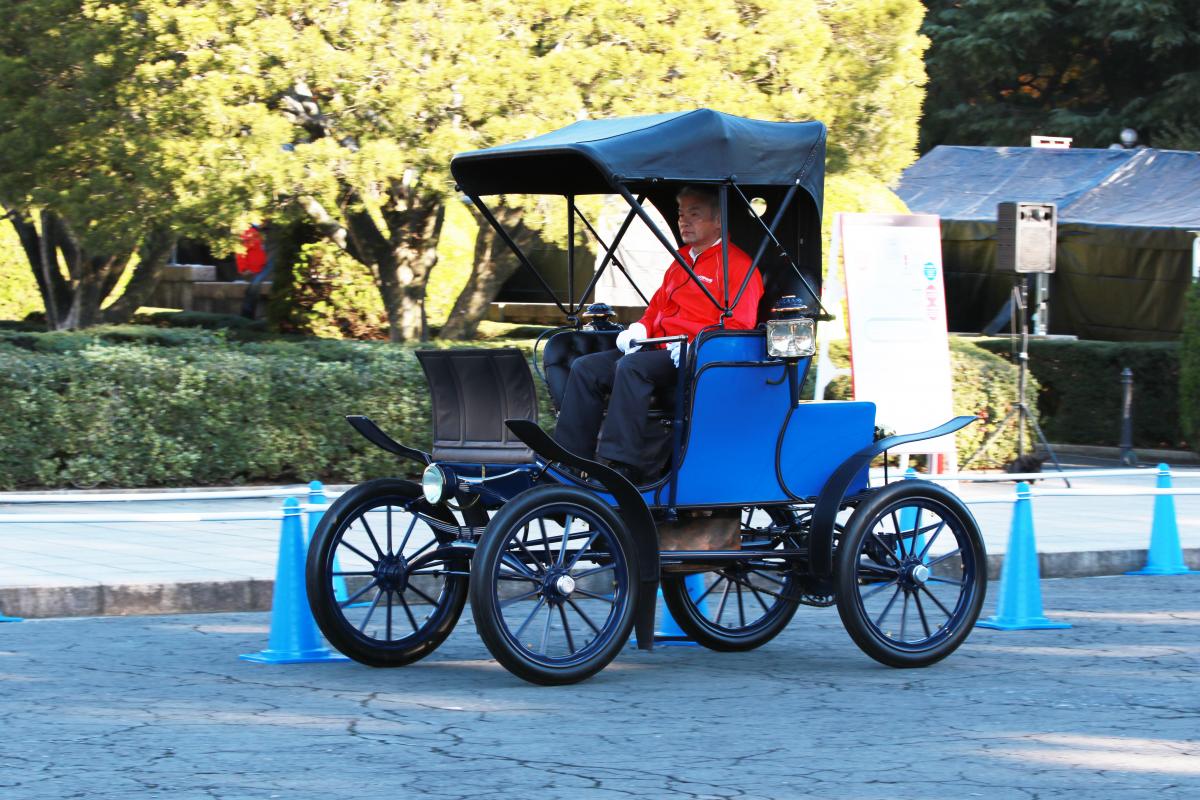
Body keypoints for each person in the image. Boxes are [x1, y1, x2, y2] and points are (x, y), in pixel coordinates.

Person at [553, 185, 763, 483]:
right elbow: (657, 308)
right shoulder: (680, 261)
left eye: (694, 214)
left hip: (696, 359)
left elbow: (740, 326)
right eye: (681, 215)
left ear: (718, 221)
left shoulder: (739, 267)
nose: (684, 222)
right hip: (659, 349)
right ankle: (569, 460)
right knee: (586, 368)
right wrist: (640, 327)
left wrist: (698, 346)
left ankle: (619, 465)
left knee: (632, 367)